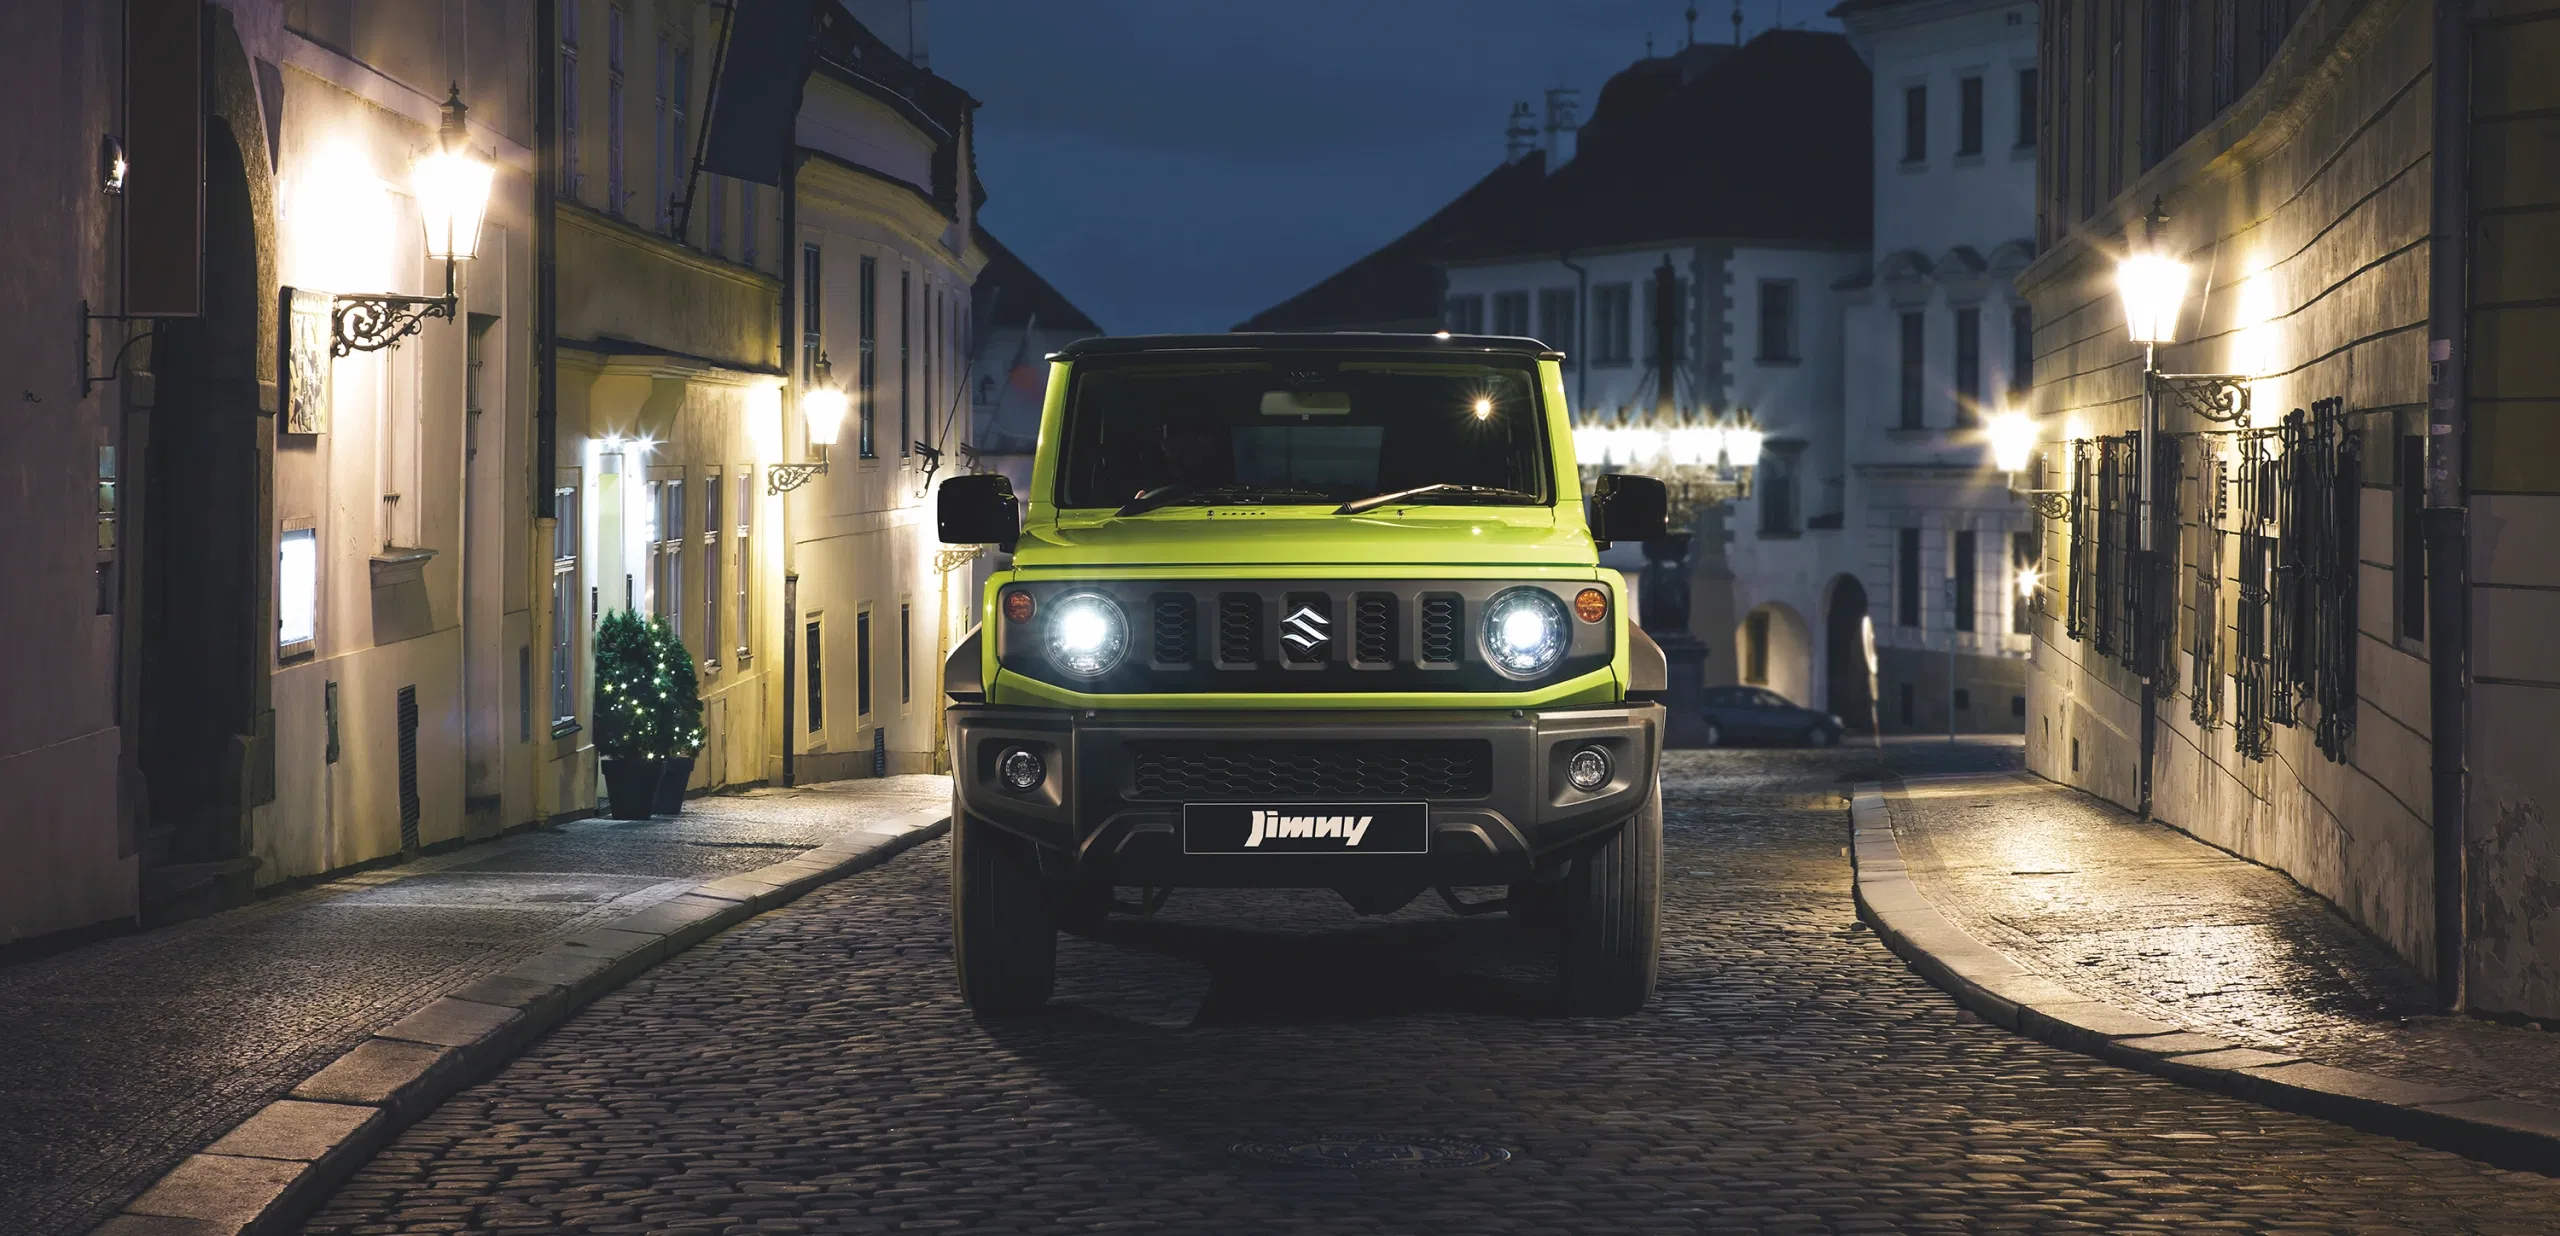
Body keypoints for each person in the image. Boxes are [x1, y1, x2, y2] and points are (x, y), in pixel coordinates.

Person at [1154, 397, 1233, 489]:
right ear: (1162, 438)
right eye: (1179, 430)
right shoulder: (1146, 491)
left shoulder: (1243, 488)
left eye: (1202, 429)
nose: (1191, 439)